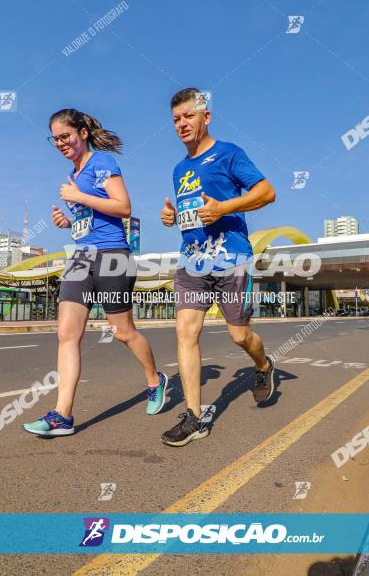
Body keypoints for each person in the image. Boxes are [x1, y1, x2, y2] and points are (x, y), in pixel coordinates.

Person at [23, 109, 168, 437]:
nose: (61, 143)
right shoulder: (73, 173)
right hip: (81, 258)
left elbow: (123, 207)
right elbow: (89, 221)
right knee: (66, 335)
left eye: (65, 135)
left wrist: (77, 197)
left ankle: (155, 380)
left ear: (83, 132)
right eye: (55, 138)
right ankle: (62, 415)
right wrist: (70, 221)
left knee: (123, 332)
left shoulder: (101, 164)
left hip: (113, 256)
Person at [159, 88, 277, 447]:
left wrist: (224, 208)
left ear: (205, 117)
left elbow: (267, 192)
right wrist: (171, 216)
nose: (182, 124)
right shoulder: (180, 169)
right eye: (176, 119)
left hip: (232, 257)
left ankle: (263, 366)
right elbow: (190, 211)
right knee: (185, 333)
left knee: (239, 335)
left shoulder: (229, 154)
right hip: (192, 260)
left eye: (188, 116)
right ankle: (194, 418)